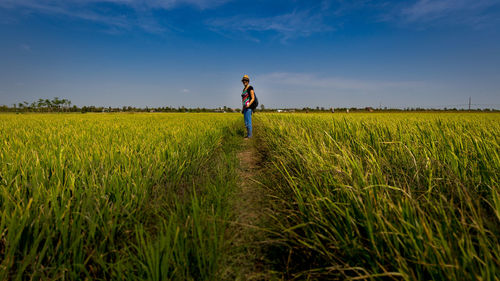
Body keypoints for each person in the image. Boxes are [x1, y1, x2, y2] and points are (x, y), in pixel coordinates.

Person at [241, 75, 255, 139]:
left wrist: (249, 104)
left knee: (248, 121)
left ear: (248, 81)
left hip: (249, 108)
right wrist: (243, 108)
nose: (244, 81)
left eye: (246, 80)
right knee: (246, 122)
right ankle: (248, 134)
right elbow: (243, 100)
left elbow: (253, 98)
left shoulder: (250, 88)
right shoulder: (244, 89)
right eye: (244, 80)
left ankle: (250, 136)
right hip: (245, 108)